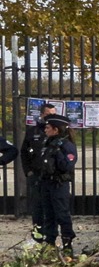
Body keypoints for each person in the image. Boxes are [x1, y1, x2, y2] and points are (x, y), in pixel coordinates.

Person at [37, 113, 78, 258]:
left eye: (48, 127)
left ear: (56, 129)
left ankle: (67, 243)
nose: (45, 130)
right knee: (48, 215)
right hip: (47, 183)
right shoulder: (47, 143)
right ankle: (50, 243)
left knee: (62, 214)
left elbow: (67, 165)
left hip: (59, 184)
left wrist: (58, 152)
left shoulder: (66, 145)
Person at [20, 101, 56, 241]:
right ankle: (37, 238)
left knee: (53, 207)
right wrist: (28, 171)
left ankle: (51, 239)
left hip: (52, 177)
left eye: (53, 115)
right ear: (41, 115)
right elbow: (24, 152)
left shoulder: (58, 131)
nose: (50, 118)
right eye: (48, 115)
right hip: (36, 176)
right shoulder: (33, 131)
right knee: (37, 208)